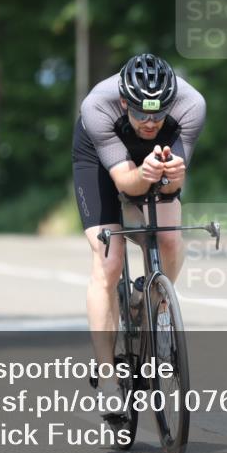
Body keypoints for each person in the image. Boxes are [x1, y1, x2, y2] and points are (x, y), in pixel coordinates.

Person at [71, 53, 206, 419]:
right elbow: (127, 183)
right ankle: (108, 377)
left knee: (171, 240)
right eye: (142, 113)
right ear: (124, 101)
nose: (150, 122)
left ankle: (148, 301)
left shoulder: (191, 105)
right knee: (109, 261)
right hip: (101, 162)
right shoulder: (98, 105)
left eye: (159, 113)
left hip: (153, 162)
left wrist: (173, 174)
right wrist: (143, 173)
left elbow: (173, 183)